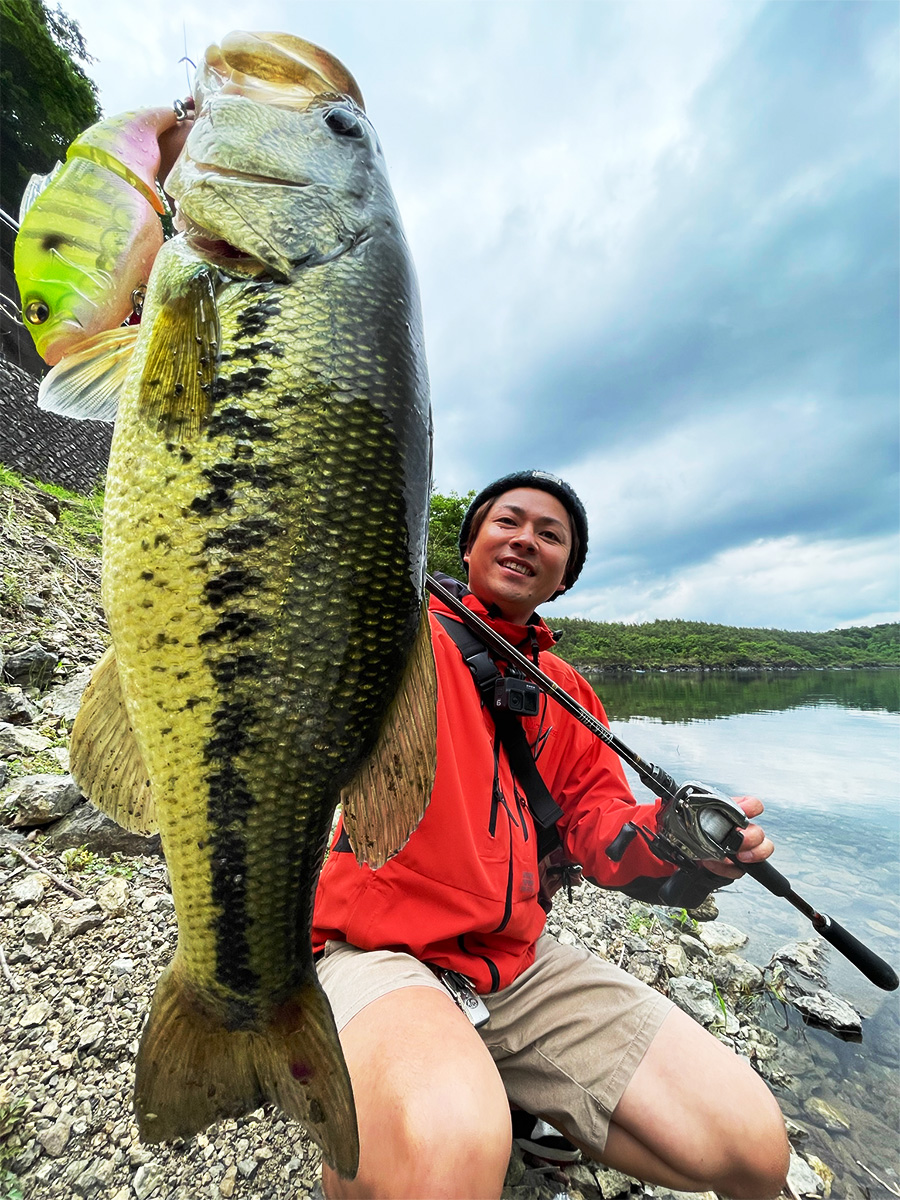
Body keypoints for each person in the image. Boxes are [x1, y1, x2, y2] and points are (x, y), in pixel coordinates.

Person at [312, 469, 790, 1200]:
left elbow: (601, 827)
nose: (526, 539)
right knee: (444, 1155)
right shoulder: (397, 631)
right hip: (378, 948)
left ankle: (493, 1081)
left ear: (565, 576)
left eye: (551, 534)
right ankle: (408, 1109)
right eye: (509, 522)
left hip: (511, 964)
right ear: (468, 545)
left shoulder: (568, 691)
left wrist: (677, 842)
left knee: (752, 1149)